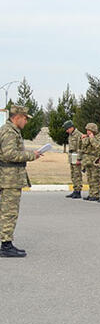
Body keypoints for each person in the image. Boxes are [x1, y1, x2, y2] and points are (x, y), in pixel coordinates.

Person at [0, 105, 42, 257]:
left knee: (6, 212)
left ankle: (6, 243)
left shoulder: (10, 130)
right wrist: (31, 155)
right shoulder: (9, 132)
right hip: (9, 178)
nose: (26, 121)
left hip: (8, 177)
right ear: (17, 117)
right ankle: (6, 246)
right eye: (25, 118)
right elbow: (10, 154)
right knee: (9, 212)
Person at [80, 123, 100, 201]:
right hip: (88, 161)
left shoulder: (99, 137)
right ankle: (91, 193)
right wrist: (84, 138)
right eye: (87, 130)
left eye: (89, 130)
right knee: (89, 178)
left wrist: (92, 138)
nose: (87, 131)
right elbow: (84, 145)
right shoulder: (87, 137)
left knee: (95, 178)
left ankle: (96, 194)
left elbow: (98, 146)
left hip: (95, 160)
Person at [63, 120, 84, 198]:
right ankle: (75, 189)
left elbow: (80, 147)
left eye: (67, 129)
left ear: (71, 127)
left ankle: (78, 191)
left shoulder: (78, 135)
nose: (66, 131)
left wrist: (79, 159)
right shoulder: (71, 135)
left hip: (76, 155)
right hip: (72, 155)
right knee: (73, 174)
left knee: (77, 174)